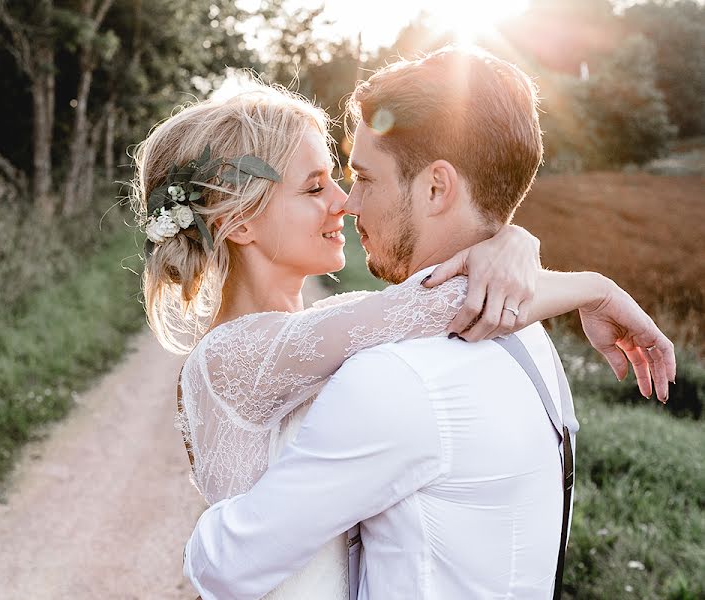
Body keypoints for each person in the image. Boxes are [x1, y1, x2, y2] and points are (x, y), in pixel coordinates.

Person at [131, 52, 673, 599]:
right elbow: (438, 302)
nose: (343, 203)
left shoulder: (325, 329)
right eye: (315, 187)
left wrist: (511, 244)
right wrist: (587, 283)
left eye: (346, 179)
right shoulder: (232, 352)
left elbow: (418, 303)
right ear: (239, 221)